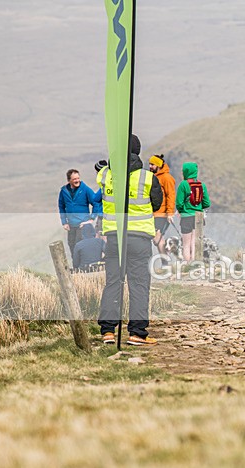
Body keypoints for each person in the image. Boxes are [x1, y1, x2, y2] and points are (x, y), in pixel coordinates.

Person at [98, 134, 163, 346]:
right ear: (137, 151)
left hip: (114, 237)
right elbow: (156, 203)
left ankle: (107, 331)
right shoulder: (147, 178)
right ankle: (137, 333)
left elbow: (101, 177)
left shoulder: (106, 176)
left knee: (113, 283)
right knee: (139, 284)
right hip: (139, 238)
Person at [175, 162, 211, 262]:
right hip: (198, 217)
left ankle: (188, 265)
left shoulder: (183, 185)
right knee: (195, 243)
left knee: (186, 244)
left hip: (186, 217)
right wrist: (199, 207)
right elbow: (207, 203)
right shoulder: (202, 185)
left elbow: (179, 203)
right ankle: (195, 264)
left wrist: (182, 211)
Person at [58, 168, 99, 253]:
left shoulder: (85, 189)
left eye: (78, 178)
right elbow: (61, 207)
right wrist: (64, 222)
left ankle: (83, 265)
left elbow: (96, 202)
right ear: (69, 180)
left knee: (79, 245)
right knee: (71, 244)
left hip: (82, 224)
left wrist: (91, 218)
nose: (77, 180)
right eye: (74, 179)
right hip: (71, 225)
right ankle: (76, 265)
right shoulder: (64, 191)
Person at [148, 154, 176, 259]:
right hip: (154, 213)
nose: (150, 166)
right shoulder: (154, 177)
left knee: (157, 239)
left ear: (158, 165)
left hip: (162, 214)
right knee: (157, 240)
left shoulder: (167, 178)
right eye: (149, 164)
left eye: (152, 164)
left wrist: (169, 213)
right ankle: (166, 262)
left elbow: (171, 196)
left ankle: (165, 262)